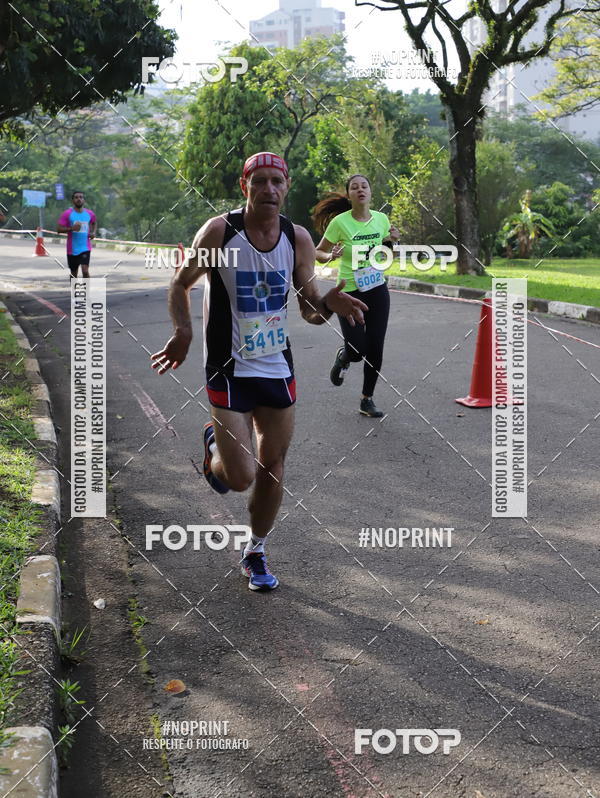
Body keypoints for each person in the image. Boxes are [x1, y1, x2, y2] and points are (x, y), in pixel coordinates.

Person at [150, 152, 367, 591]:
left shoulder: (297, 238)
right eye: (260, 181)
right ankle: (215, 447)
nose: (269, 189)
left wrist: (328, 303)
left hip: (275, 367)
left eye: (277, 182)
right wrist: (183, 332)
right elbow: (180, 282)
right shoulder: (220, 231)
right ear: (244, 186)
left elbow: (309, 310)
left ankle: (255, 550)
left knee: (274, 467)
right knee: (240, 476)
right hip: (228, 369)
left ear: (287, 187)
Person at [313, 175, 400, 418]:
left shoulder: (381, 219)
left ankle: (366, 399)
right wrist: (331, 256)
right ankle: (345, 356)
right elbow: (318, 252)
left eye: (364, 186)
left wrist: (392, 241)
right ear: (349, 195)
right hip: (348, 292)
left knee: (376, 347)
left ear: (370, 193)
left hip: (377, 288)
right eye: (354, 187)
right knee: (357, 350)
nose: (360, 190)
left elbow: (383, 254)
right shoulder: (340, 222)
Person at [57, 191, 96, 278]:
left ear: (84, 200)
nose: (79, 199)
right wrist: (71, 228)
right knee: (74, 274)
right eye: (76, 197)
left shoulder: (90, 213)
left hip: (85, 248)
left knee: (85, 271)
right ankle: (74, 287)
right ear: (73, 200)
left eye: (81, 197)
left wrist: (93, 232)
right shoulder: (67, 214)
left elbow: (94, 222)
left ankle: (86, 287)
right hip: (72, 249)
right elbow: (59, 229)